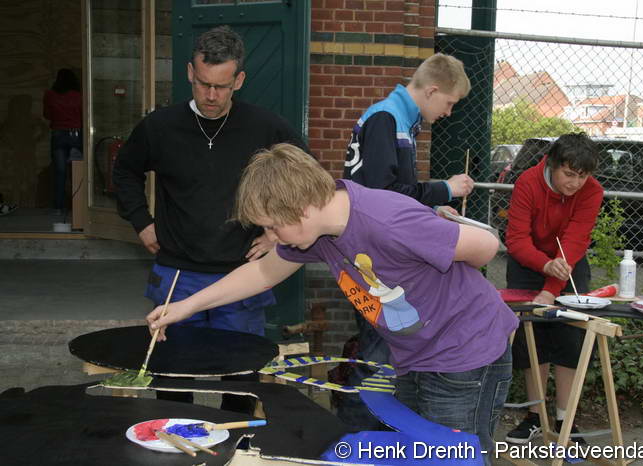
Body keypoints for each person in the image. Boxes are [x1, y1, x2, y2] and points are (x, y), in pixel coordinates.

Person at [146, 143, 519, 463]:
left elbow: (486, 246)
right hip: (416, 355)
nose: (271, 237)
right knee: (417, 453)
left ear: (303, 208)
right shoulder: (321, 233)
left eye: (273, 226)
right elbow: (262, 272)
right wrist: (186, 306)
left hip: (466, 354)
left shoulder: (386, 221)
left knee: (456, 456)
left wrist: (441, 261)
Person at [113, 26, 307, 413]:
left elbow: (306, 177)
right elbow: (124, 172)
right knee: (172, 376)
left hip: (242, 274)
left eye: (222, 86)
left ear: (239, 80)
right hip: (178, 273)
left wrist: (275, 233)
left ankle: (236, 441)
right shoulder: (159, 126)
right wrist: (141, 221)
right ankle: (174, 438)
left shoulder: (266, 127)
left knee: (241, 379)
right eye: (203, 84)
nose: (212, 96)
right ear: (190, 73)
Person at [339, 52, 475, 430]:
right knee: (378, 361)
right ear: (432, 90)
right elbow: (382, 196)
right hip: (373, 261)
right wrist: (444, 189)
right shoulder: (387, 118)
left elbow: (393, 197)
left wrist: (430, 211)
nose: (448, 112)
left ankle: (375, 435)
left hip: (378, 256)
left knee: (385, 356)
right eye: (449, 103)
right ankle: (353, 440)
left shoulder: (398, 118)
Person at [503, 133, 603, 445]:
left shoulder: (592, 191)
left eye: (582, 176)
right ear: (552, 164)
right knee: (532, 338)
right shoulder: (527, 182)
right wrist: (545, 266)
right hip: (528, 262)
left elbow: (575, 240)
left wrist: (551, 287)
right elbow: (516, 240)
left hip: (569, 263)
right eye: (569, 174)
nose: (575, 183)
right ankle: (535, 416)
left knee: (570, 338)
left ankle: (564, 420)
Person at [43, 69, 82, 215]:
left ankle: (58, 208)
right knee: (77, 171)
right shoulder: (78, 95)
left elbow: (47, 114)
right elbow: (83, 114)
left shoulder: (50, 94)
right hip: (75, 134)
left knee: (60, 172)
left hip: (58, 134)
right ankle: (78, 208)